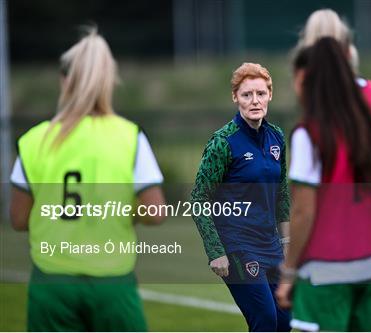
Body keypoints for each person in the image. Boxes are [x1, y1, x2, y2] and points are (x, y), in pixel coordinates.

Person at [9, 27, 165, 331]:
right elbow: (156, 212)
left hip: (51, 283)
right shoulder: (129, 136)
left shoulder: (34, 140)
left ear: (65, 81)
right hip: (112, 283)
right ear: (109, 81)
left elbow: (17, 218)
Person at [294, 8, 371, 331]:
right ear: (350, 51)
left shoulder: (321, 112)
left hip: (337, 252)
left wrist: (290, 267)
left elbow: (307, 205)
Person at [275, 37, 371, 332]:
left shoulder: (309, 132)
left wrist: (288, 272)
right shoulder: (368, 124)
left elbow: (303, 211)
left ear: (305, 78)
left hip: (327, 268)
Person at [190, 62, 291, 332]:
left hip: (271, 245)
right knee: (266, 320)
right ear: (235, 97)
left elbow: (281, 193)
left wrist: (287, 241)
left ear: (270, 94)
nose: (254, 101)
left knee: (285, 321)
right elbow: (198, 199)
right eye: (247, 95)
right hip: (237, 246)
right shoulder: (223, 143)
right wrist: (215, 251)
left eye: (260, 93)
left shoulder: (276, 138)